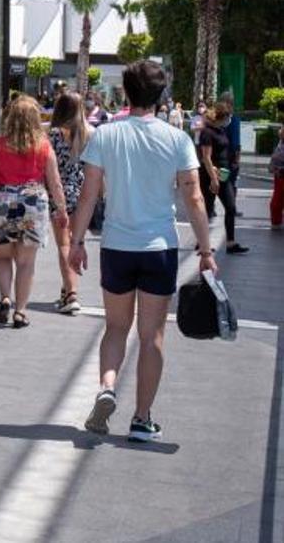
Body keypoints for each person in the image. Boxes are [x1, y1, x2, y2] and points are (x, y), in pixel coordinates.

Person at [69, 60, 218, 442]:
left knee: (116, 327)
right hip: (159, 249)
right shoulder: (177, 140)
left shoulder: (105, 135)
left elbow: (88, 195)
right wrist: (205, 248)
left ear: (127, 93)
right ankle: (141, 419)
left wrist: (77, 242)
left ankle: (106, 386)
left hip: (117, 246)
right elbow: (194, 197)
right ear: (161, 95)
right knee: (151, 335)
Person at [0, 96, 68, 329]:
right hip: (33, 205)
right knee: (26, 263)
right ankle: (20, 312)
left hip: (2, 203)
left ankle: (5, 298)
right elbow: (55, 182)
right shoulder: (44, 146)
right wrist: (61, 209)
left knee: (2, 257)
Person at [48, 92, 92, 314]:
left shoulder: (54, 134)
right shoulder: (89, 133)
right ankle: (67, 291)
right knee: (76, 242)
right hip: (83, 193)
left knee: (64, 245)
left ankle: (72, 293)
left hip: (59, 194)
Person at [198, 101, 249, 254]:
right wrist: (213, 178)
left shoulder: (221, 130)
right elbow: (206, 157)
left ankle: (230, 243)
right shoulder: (207, 132)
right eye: (227, 116)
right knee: (207, 209)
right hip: (210, 175)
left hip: (223, 174)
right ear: (221, 116)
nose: (229, 120)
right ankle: (202, 243)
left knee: (231, 207)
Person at [270, 126, 284, 230]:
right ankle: (276, 222)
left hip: (279, 174)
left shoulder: (280, 144)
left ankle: (276, 222)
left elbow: (274, 160)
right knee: (277, 200)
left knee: (277, 199)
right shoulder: (280, 144)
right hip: (280, 174)